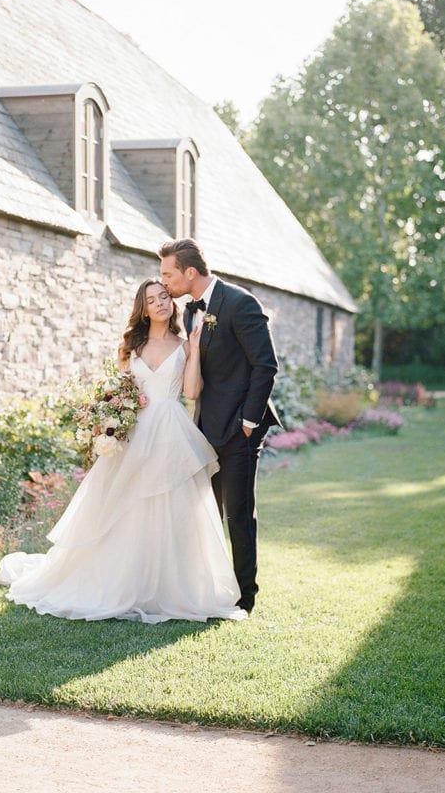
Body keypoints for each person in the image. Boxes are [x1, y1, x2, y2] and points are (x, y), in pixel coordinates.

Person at [0, 278, 247, 623]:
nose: (160, 304)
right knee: (124, 507)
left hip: (172, 430)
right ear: (142, 308)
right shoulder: (130, 346)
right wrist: (112, 418)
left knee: (173, 507)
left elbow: (191, 392)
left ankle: (169, 586)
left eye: (164, 297)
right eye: (151, 300)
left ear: (171, 304)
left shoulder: (185, 344)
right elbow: (122, 391)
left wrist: (197, 350)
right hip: (138, 433)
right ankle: (119, 581)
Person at [159, 239, 279, 614]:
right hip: (205, 429)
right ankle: (209, 588)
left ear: (189, 272)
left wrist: (248, 421)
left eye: (168, 273)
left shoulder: (240, 303)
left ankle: (245, 598)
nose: (163, 283)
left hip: (240, 430)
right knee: (206, 512)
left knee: (238, 514)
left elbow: (266, 366)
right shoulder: (190, 311)